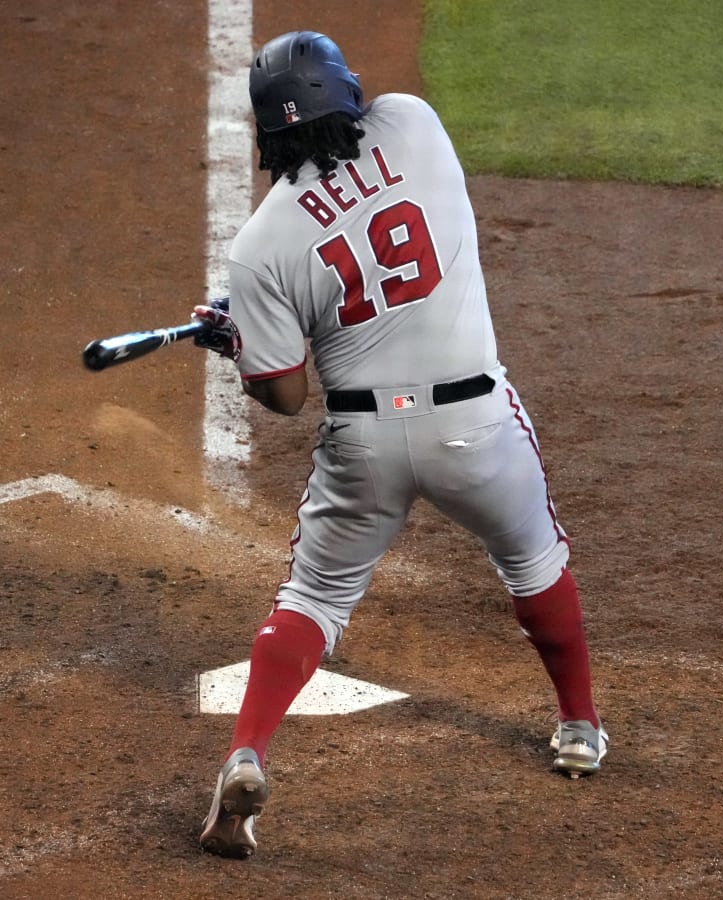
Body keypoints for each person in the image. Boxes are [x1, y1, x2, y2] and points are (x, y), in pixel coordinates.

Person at [195, 31, 606, 860]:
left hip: (365, 440)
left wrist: (239, 339)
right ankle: (579, 727)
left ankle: (246, 754)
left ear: (267, 135)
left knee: (313, 598)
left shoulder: (258, 248)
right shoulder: (414, 124)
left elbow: (283, 396)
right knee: (534, 561)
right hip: (476, 427)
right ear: (344, 95)